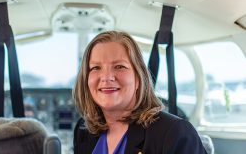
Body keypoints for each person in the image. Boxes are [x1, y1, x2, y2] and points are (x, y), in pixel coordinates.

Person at [73, 31, 207, 154]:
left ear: (138, 77)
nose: (107, 77)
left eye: (119, 66)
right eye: (96, 67)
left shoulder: (174, 133)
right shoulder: (83, 129)